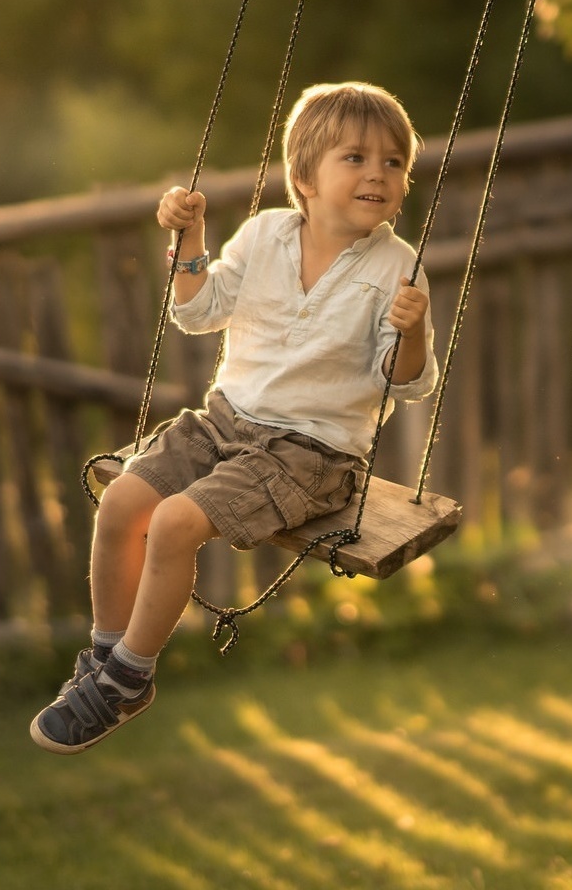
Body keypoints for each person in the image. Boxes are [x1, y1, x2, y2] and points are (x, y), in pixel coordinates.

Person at [30, 80, 438, 754]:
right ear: (304, 177)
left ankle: (131, 676)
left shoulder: (398, 269)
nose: (378, 174)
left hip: (311, 453)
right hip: (224, 421)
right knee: (121, 501)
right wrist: (188, 236)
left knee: (173, 523)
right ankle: (105, 660)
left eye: (394, 162)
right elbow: (195, 311)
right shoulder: (265, 234)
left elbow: (407, 383)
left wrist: (414, 331)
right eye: (356, 158)